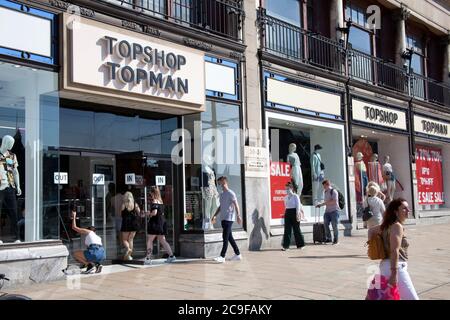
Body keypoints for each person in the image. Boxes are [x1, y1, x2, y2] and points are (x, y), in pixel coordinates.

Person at [368, 198, 419, 300]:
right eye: (404, 208)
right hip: (396, 267)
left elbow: (371, 231)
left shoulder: (386, 226)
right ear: (396, 212)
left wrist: (376, 247)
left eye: (408, 208)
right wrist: (394, 273)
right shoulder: (397, 226)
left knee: (373, 296)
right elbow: (394, 250)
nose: (408, 211)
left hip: (384, 265)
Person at [212, 176, 242, 263]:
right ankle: (238, 254)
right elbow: (220, 207)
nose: (219, 184)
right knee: (229, 237)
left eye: (219, 182)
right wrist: (215, 215)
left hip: (229, 219)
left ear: (224, 181)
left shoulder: (231, 193)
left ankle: (222, 256)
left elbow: (236, 205)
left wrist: (238, 215)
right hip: (223, 218)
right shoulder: (222, 194)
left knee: (225, 237)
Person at [144, 186, 176, 264]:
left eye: (150, 193)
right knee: (163, 240)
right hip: (161, 223)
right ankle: (171, 256)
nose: (149, 194)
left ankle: (148, 258)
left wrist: (149, 214)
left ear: (152, 193)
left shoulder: (154, 201)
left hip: (155, 223)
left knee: (150, 240)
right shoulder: (160, 201)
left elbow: (154, 213)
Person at [70, 208, 105, 274]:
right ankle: (97, 265)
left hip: (94, 252)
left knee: (75, 254)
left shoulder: (89, 232)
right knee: (88, 254)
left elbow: (74, 227)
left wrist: (74, 216)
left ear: (88, 230)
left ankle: (89, 265)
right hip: (102, 254)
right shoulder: (98, 237)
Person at [282, 182, 305, 251]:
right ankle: (286, 246)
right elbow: (285, 206)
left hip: (294, 212)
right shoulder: (285, 197)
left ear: (291, 188)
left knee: (296, 229)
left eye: (288, 188)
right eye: (286, 189)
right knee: (287, 230)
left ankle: (300, 245)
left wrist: (297, 214)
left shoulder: (295, 196)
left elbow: (298, 206)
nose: (287, 190)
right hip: (288, 212)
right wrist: (285, 213)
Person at [315, 179, 339, 245]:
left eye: (324, 186)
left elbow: (334, 201)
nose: (324, 187)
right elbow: (326, 202)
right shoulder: (325, 192)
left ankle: (336, 240)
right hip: (327, 211)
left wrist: (325, 203)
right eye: (323, 186)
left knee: (334, 225)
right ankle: (329, 238)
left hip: (334, 211)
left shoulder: (334, 191)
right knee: (325, 224)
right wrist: (320, 204)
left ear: (328, 185)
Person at [120, 191, 140, 260]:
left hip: (126, 223)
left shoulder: (123, 205)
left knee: (124, 239)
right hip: (134, 223)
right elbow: (139, 212)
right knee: (131, 239)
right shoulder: (135, 204)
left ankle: (128, 249)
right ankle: (129, 256)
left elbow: (121, 214)